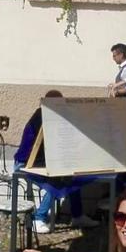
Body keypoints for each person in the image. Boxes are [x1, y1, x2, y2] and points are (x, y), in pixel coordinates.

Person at [13, 90, 98, 234]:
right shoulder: (42, 117)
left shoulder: (50, 116)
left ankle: (77, 215)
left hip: (39, 163)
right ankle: (39, 218)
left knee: (73, 177)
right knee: (59, 180)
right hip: (25, 164)